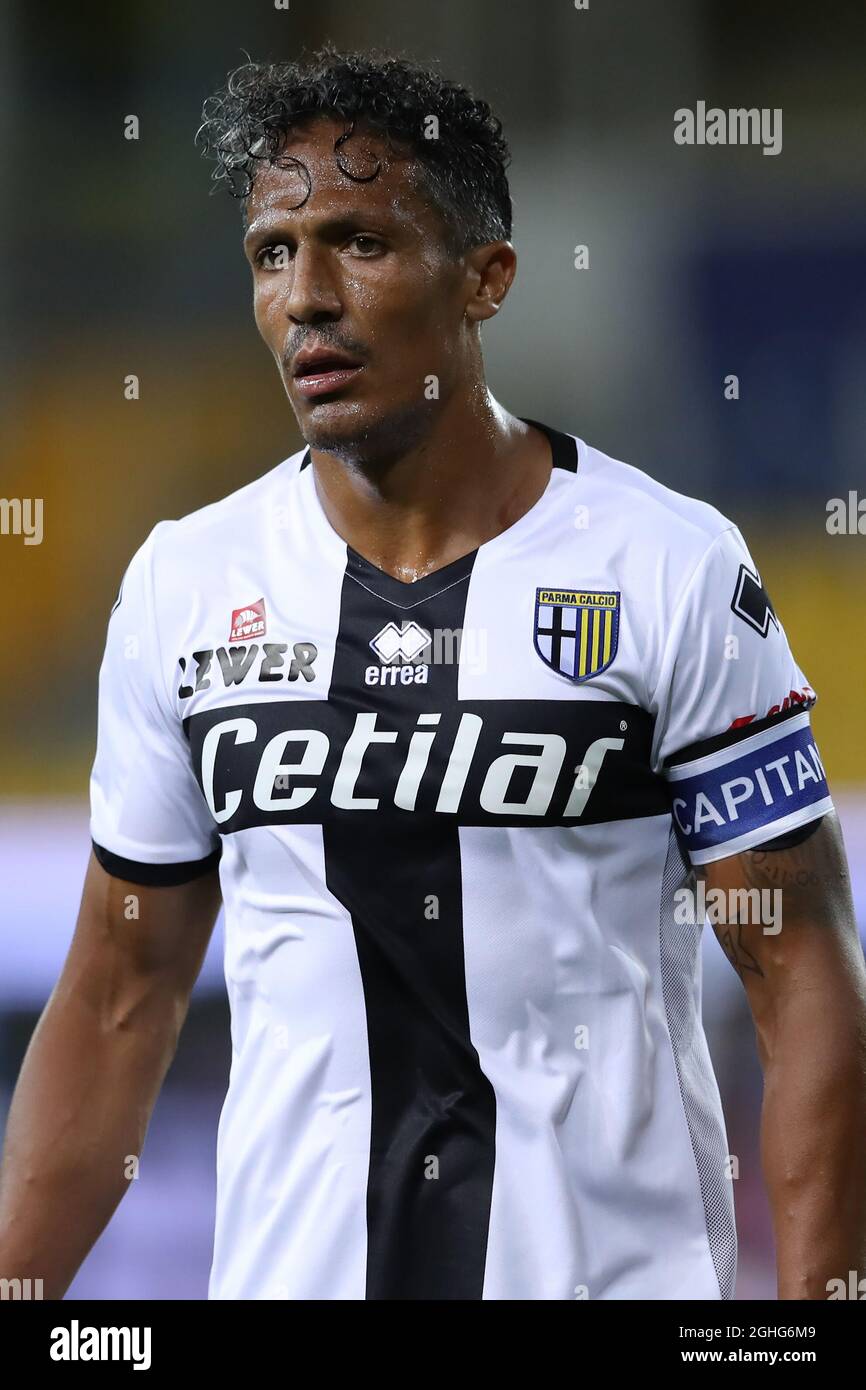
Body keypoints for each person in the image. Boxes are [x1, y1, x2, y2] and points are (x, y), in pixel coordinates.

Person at [1, 46, 864, 1302]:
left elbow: (800, 977)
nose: (305, 295)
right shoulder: (183, 586)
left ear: (485, 277)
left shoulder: (668, 568)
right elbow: (118, 994)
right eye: (271, 252)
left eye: (358, 241)